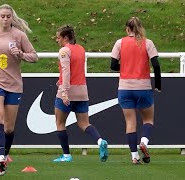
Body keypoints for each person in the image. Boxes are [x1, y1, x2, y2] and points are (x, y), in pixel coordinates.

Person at [0, 4, 38, 176]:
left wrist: (20, 54)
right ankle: (0, 157)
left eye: (8, 16)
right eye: (2, 16)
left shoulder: (19, 36)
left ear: (12, 18)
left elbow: (34, 57)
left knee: (9, 127)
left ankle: (4, 154)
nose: (5, 19)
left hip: (13, 84)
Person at [53, 25, 108, 163]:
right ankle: (100, 141)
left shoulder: (64, 50)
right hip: (82, 92)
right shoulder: (81, 49)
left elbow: (66, 71)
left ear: (65, 38)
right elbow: (76, 70)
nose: (57, 40)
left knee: (60, 123)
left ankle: (66, 155)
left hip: (68, 91)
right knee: (84, 123)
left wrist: (64, 91)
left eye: (58, 37)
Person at [110, 17, 161, 164]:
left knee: (130, 122)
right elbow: (156, 65)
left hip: (125, 88)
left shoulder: (120, 43)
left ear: (127, 29)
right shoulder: (148, 43)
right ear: (140, 28)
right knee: (148, 119)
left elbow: (113, 65)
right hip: (143, 87)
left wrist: (125, 67)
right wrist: (158, 84)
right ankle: (144, 142)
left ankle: (134, 155)